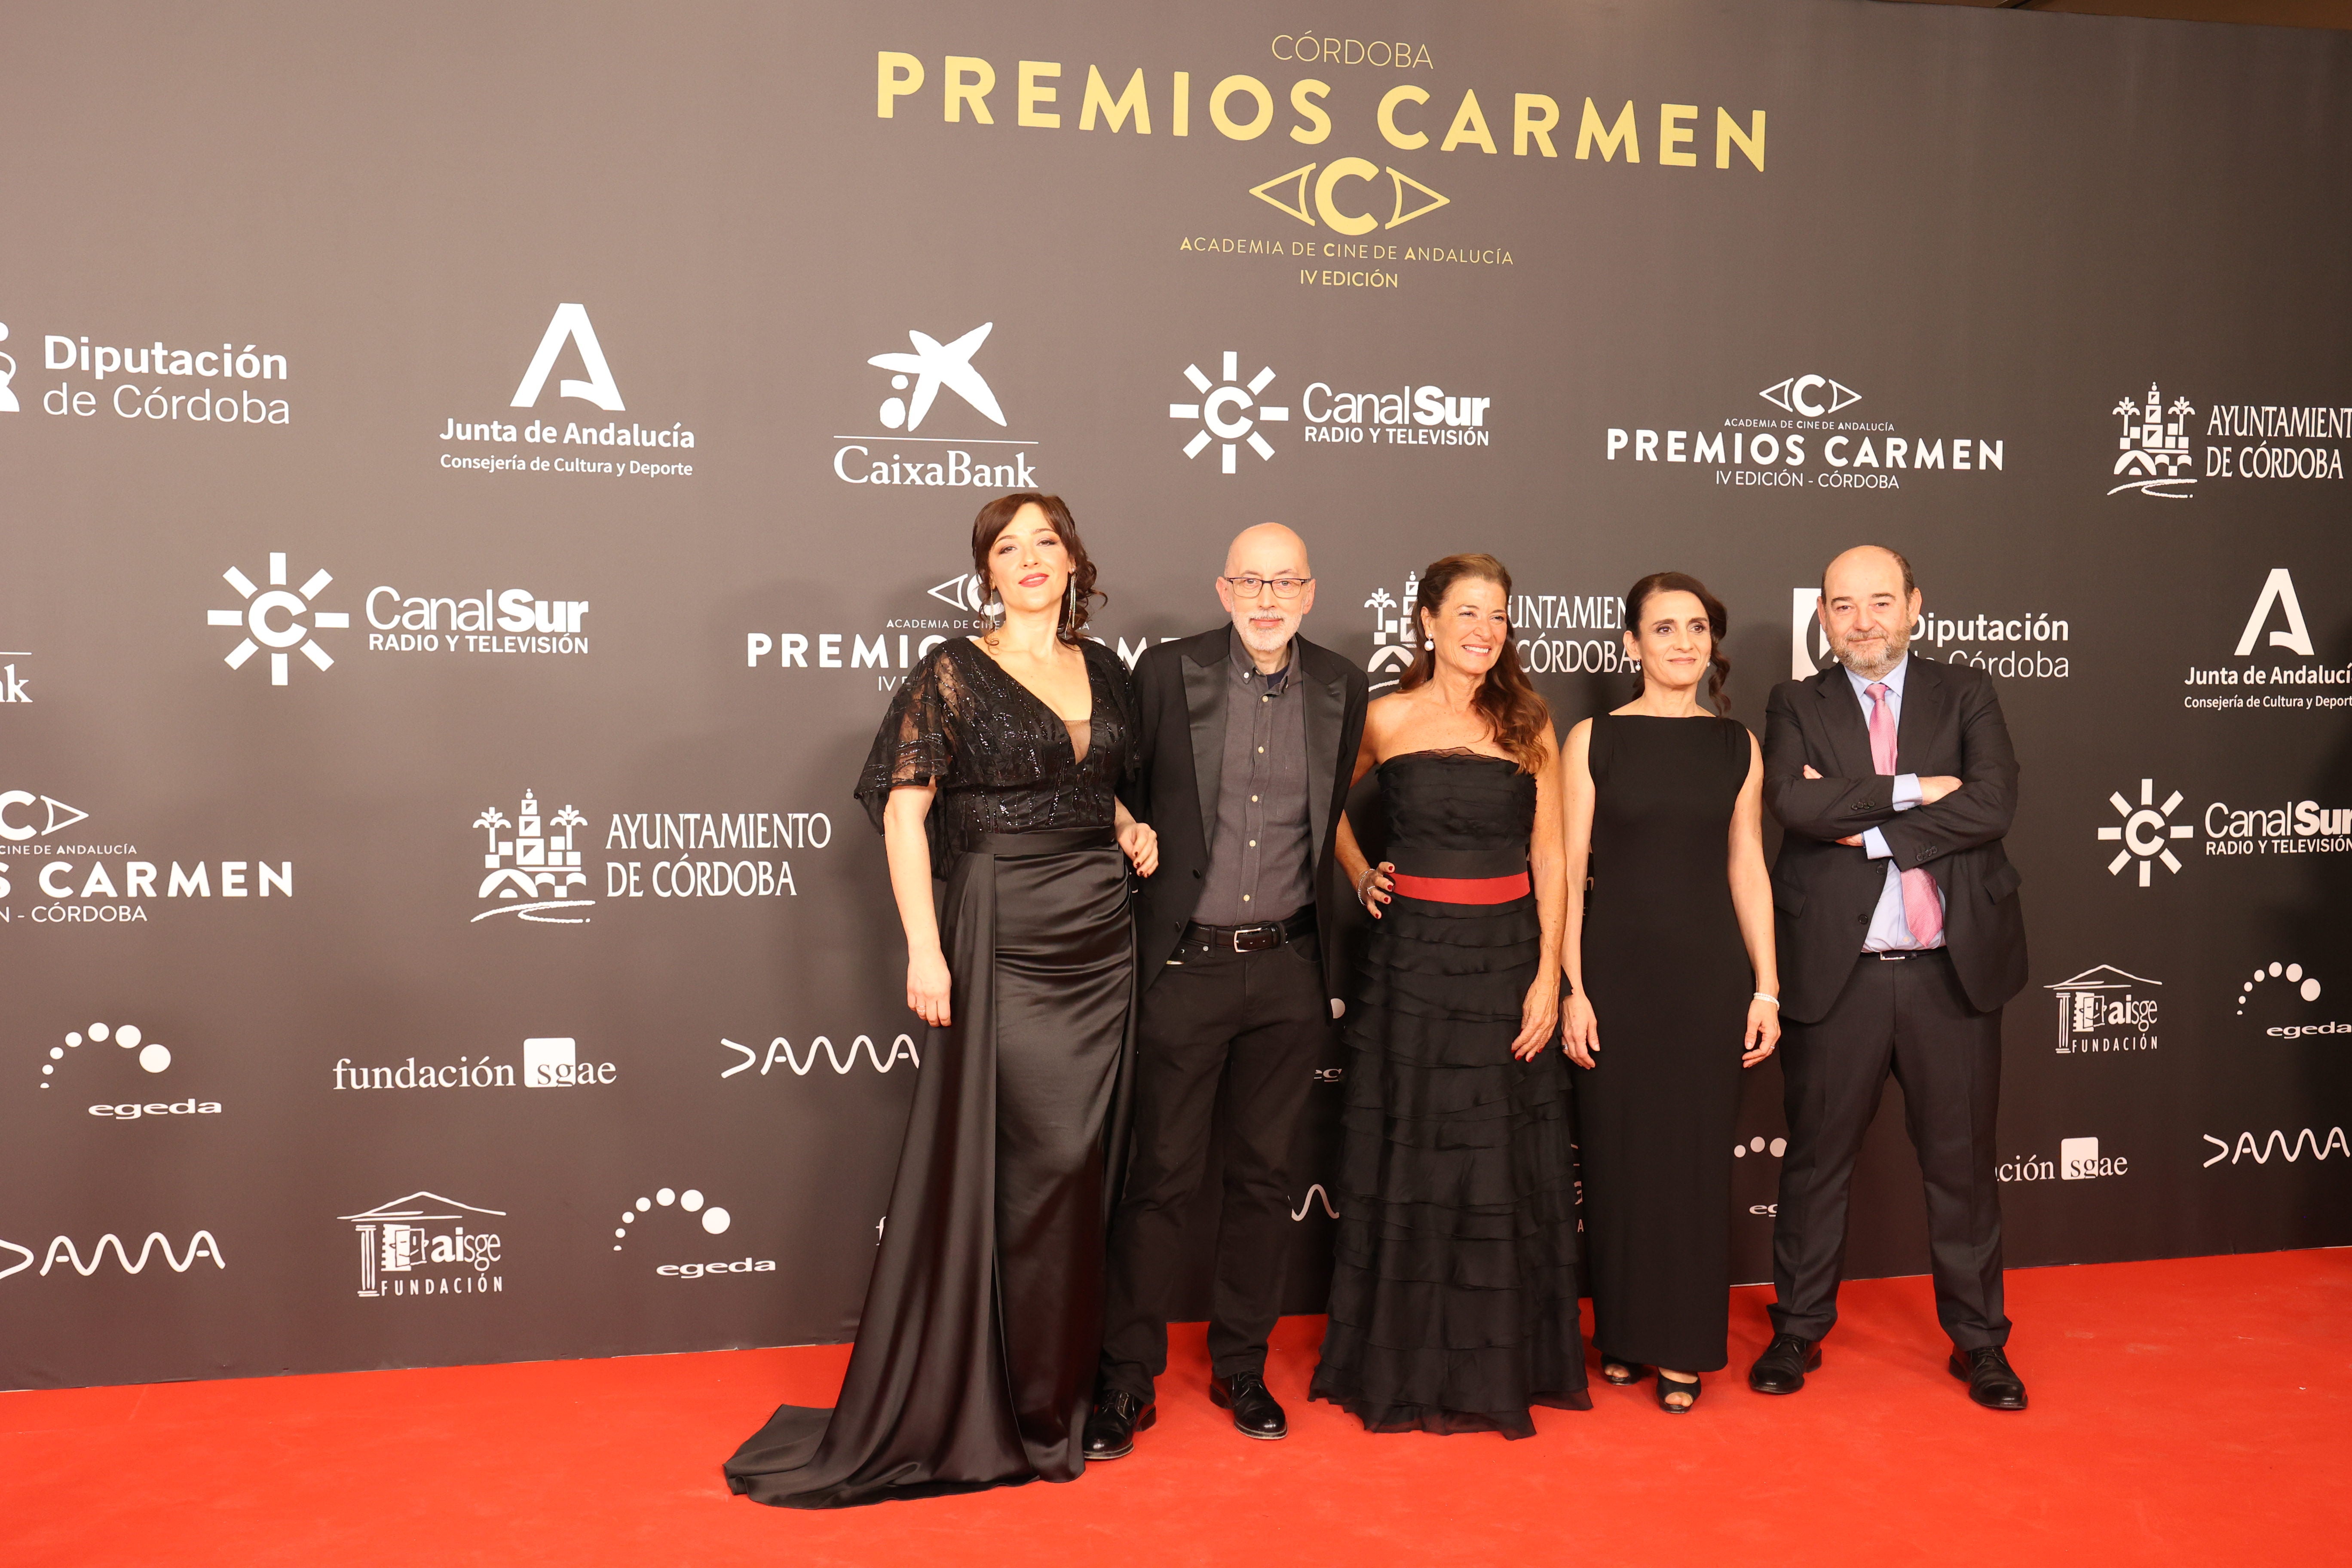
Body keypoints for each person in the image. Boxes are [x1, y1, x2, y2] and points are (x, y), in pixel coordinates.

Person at [726, 494, 1160, 1507]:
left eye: (1045, 544)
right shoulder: (950, 669)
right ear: (987, 572)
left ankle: (1057, 1394)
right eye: (1008, 549)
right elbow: (908, 814)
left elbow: (1090, 777)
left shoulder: (1105, 671)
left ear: (1073, 560)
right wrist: (927, 946)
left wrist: (1130, 826)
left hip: (1101, 932)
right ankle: (999, 1399)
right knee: (1033, 1161)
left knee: (1085, 1164)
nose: (1030, 561)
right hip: (1001, 928)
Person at [1086, 524, 1369, 1457]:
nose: (1268, 595)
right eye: (1252, 578)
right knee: (1159, 1178)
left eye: (1286, 580)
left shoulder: (1341, 683)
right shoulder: (1168, 674)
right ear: (1223, 588)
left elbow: (1325, 821)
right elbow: (1111, 783)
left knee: (1265, 1180)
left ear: (1311, 591)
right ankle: (1126, 1379)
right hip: (1184, 966)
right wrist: (1129, 826)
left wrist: (1363, 878)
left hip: (1291, 970)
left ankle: (1243, 1365)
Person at [1310, 553, 1589, 1436]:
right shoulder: (1385, 716)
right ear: (1426, 621)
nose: (1483, 629)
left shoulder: (1529, 719)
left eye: (1497, 615)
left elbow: (1551, 857)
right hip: (1412, 964)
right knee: (1416, 1151)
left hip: (1507, 959)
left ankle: (1501, 1356)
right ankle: (1403, 1358)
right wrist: (1360, 874)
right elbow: (1321, 813)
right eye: (1465, 612)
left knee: (1496, 1157)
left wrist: (1551, 973)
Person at [1750, 545, 2029, 1412]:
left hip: (1952, 975)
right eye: (1843, 605)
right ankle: (1798, 1328)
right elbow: (1795, 808)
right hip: (1840, 975)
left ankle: (1980, 1344)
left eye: (1880, 602)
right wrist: (1915, 788)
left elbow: (1993, 802)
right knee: (1817, 1164)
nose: (1863, 621)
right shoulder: (1796, 701)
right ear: (1823, 617)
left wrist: (1870, 827)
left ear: (1915, 604)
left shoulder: (1967, 691)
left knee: (1963, 1168)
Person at [1561, 573, 1780, 1414]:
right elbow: (1570, 875)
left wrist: (1766, 987)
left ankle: (1683, 1346)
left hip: (1707, 981)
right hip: (1615, 975)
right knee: (1615, 1162)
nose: (1683, 643)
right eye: (1664, 628)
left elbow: (1747, 869)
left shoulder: (1737, 747)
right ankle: (1623, 1334)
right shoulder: (1593, 740)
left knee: (1690, 1168)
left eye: (1696, 628)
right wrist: (1574, 987)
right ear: (1631, 644)